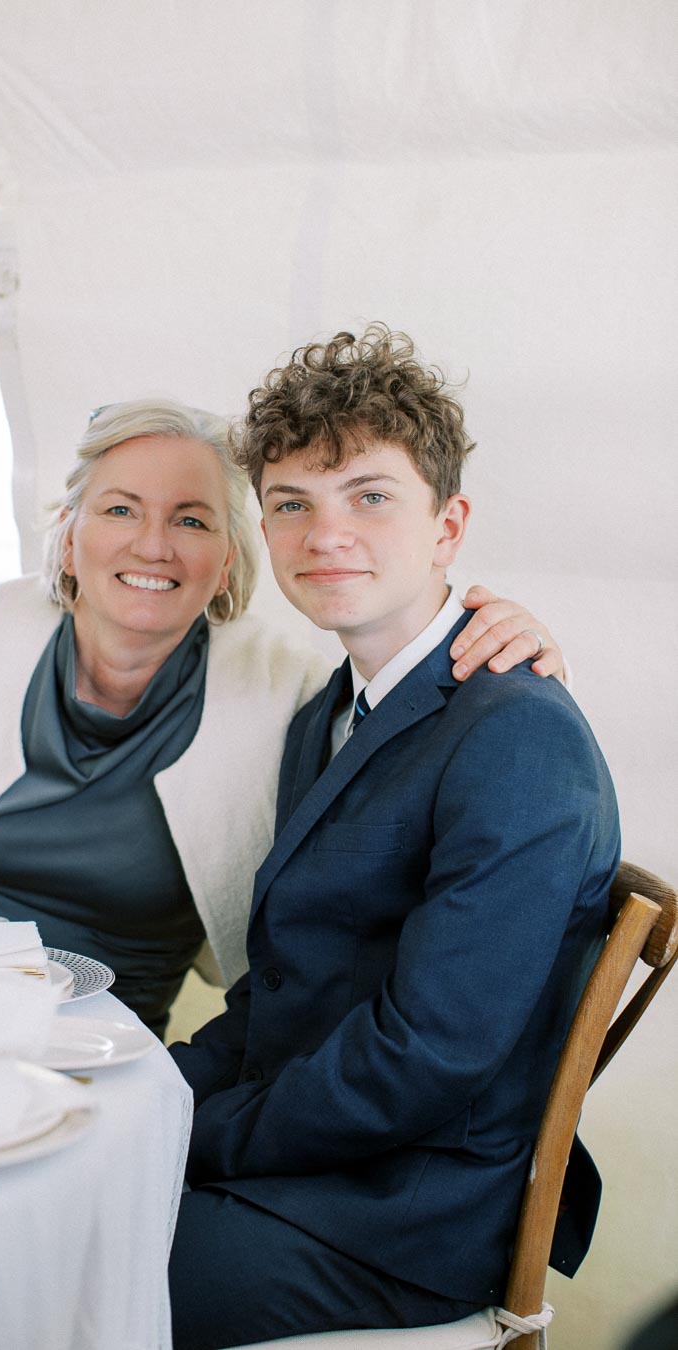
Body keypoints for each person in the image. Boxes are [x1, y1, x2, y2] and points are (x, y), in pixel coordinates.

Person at [0, 399, 563, 1036]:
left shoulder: (295, 692)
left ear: (230, 558)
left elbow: (411, 715)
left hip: (87, 1037)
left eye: (192, 521)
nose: (152, 545)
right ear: (71, 537)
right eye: (119, 510)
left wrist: (504, 636)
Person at [168, 326, 620, 1346]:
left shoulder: (516, 735)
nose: (326, 533)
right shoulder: (327, 714)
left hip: (405, 1214)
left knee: (66, 1265)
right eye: (291, 504)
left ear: (448, 526)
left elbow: (427, 1055)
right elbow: (285, 985)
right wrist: (150, 1089)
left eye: (369, 495)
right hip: (318, 1160)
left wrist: (191, 1138)